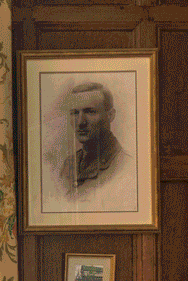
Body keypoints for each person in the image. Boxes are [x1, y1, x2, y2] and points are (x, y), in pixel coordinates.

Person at [52, 82, 137, 212]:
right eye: (75, 113)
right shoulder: (68, 165)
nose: (80, 122)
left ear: (110, 115)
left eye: (90, 112)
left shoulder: (125, 167)